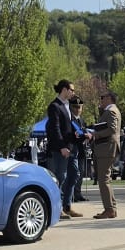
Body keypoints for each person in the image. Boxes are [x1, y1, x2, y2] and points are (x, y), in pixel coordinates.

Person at [44, 80, 82, 219]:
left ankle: (67, 206)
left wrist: (79, 135)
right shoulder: (54, 106)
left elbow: (68, 128)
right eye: (72, 89)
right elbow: (55, 129)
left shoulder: (67, 105)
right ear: (64, 89)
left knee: (74, 175)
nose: (73, 92)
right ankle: (57, 209)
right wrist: (62, 147)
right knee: (59, 178)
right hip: (59, 149)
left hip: (70, 148)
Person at [92, 89, 122, 218]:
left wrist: (95, 134)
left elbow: (112, 129)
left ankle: (109, 209)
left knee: (103, 180)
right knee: (106, 179)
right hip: (107, 148)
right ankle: (111, 208)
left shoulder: (111, 111)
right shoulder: (111, 110)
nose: (101, 100)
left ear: (109, 98)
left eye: (102, 97)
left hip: (107, 148)